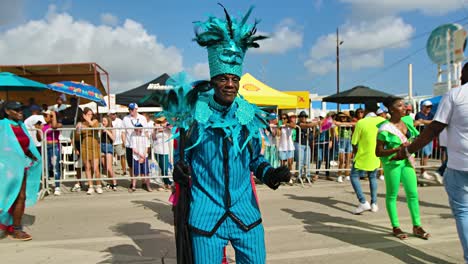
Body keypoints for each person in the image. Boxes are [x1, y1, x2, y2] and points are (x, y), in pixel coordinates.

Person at [168, 6, 291, 263]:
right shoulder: (193, 116)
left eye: (234, 79)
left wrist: (270, 174)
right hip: (206, 214)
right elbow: (183, 159)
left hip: (245, 213)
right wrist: (179, 170)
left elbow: (255, 159)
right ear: (213, 81)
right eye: (223, 78)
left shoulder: (248, 116)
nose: (230, 84)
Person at [394, 63, 468, 262]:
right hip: (457, 164)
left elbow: (434, 129)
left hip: (460, 165)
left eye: (462, 74)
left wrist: (408, 150)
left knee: (463, 211)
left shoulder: (455, 95)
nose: (460, 78)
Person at [376, 96, 430, 240]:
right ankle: (396, 226)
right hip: (392, 163)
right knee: (392, 194)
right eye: (400, 105)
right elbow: (378, 152)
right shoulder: (384, 128)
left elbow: (419, 130)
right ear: (392, 109)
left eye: (404, 105)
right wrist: (397, 149)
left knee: (412, 193)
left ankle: (417, 226)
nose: (405, 107)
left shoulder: (407, 121)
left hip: (407, 162)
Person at [0, 101, 42, 240]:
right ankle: (5, 224)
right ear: (7, 111)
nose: (20, 112)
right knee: (5, 197)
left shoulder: (21, 126)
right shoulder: (2, 126)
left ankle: (16, 228)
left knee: (20, 197)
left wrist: (32, 156)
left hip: (20, 167)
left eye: (21, 109)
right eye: (16, 109)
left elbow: (24, 145)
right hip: (5, 169)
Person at [350, 102, 385, 214]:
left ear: (366, 111)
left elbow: (354, 141)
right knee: (372, 177)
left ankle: (363, 201)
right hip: (376, 154)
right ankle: (374, 203)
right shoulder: (381, 121)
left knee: (354, 176)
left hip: (362, 154)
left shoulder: (361, 122)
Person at [76, 107, 102, 195]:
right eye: (88, 114)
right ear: (84, 115)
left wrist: (88, 120)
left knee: (95, 167)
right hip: (85, 145)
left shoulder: (95, 121)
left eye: (91, 114)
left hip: (94, 144)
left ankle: (98, 185)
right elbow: (78, 135)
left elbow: (95, 127)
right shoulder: (81, 123)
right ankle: (90, 186)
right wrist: (78, 128)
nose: (90, 116)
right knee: (87, 167)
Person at [122, 103, 148, 180]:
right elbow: (123, 132)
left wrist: (147, 143)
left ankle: (143, 181)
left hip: (141, 145)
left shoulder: (142, 118)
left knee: (143, 164)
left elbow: (146, 131)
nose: (130, 111)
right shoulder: (126, 118)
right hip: (130, 145)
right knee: (130, 165)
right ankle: (133, 182)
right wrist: (124, 142)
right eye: (129, 109)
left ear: (136, 109)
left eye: (132, 109)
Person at [41, 109, 63, 196]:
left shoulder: (58, 124)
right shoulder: (43, 126)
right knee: (46, 167)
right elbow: (40, 138)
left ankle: (57, 186)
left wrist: (53, 115)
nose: (44, 117)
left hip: (54, 147)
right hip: (46, 147)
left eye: (46, 116)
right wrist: (38, 130)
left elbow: (54, 126)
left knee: (55, 167)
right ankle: (46, 186)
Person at [415, 100, 435, 180]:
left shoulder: (431, 114)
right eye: (427, 107)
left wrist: (423, 121)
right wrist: (426, 122)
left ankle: (423, 171)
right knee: (424, 154)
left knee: (427, 154)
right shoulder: (419, 114)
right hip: (422, 137)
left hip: (430, 136)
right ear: (423, 107)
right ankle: (423, 171)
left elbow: (433, 122)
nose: (429, 108)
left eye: (430, 107)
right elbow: (418, 121)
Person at [294, 111, 317, 181]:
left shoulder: (309, 124)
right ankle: (299, 176)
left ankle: (307, 176)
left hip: (307, 144)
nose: (304, 118)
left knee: (307, 162)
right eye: (302, 116)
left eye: (305, 116)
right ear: (299, 118)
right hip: (299, 144)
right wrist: (316, 123)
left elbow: (313, 135)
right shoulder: (298, 124)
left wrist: (316, 130)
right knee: (300, 161)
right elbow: (307, 126)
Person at [152, 116, 173, 190]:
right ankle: (165, 183)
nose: (160, 123)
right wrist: (154, 130)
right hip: (157, 150)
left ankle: (168, 182)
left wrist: (164, 125)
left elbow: (171, 126)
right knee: (161, 168)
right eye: (159, 122)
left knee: (165, 168)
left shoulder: (168, 127)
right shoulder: (156, 129)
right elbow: (153, 138)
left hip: (165, 151)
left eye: (162, 121)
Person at [130, 123, 151, 192]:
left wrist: (143, 156)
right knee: (135, 172)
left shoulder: (144, 135)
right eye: (137, 128)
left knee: (146, 172)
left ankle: (148, 186)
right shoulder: (132, 135)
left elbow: (147, 147)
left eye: (140, 128)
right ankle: (133, 186)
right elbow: (133, 148)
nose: (139, 130)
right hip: (136, 156)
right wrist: (140, 156)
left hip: (144, 156)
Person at [335, 112, 353, 183]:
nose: (343, 118)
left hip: (348, 141)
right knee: (341, 160)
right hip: (341, 141)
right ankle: (339, 175)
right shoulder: (339, 123)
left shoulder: (350, 123)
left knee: (348, 160)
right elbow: (336, 123)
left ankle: (347, 174)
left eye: (344, 117)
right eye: (342, 117)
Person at [100, 115, 117, 190]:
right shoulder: (101, 128)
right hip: (102, 146)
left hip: (108, 146)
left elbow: (113, 139)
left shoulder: (111, 128)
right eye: (102, 121)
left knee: (109, 167)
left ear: (108, 121)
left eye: (104, 121)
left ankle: (114, 182)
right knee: (105, 167)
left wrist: (106, 130)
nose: (103, 122)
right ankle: (110, 182)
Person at [109, 109, 127, 175]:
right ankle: (109, 171)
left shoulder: (120, 121)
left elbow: (123, 131)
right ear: (109, 115)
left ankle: (124, 170)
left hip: (118, 141)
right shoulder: (108, 121)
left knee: (122, 156)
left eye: (115, 114)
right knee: (109, 157)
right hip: (109, 142)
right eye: (112, 114)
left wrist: (123, 141)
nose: (114, 115)